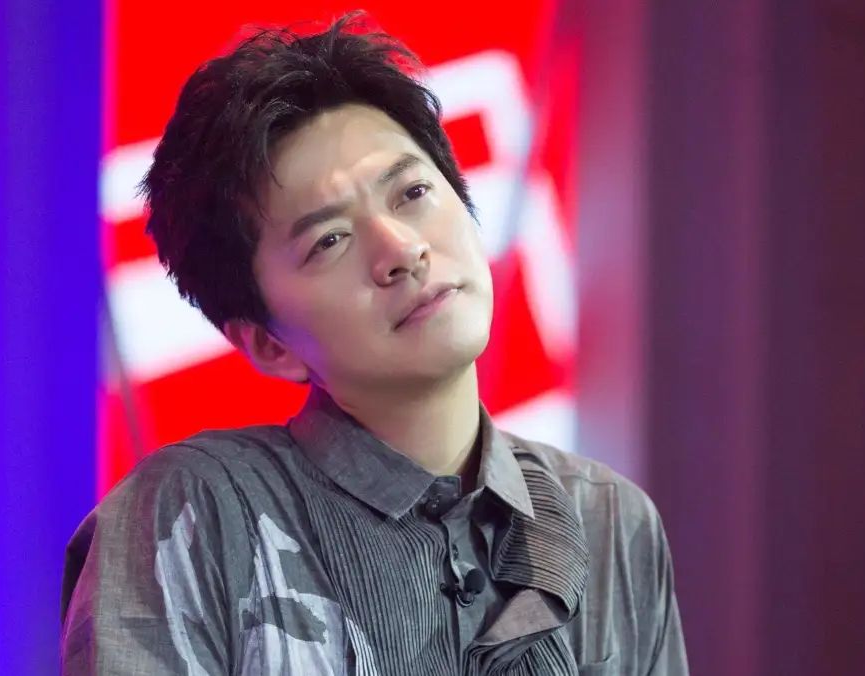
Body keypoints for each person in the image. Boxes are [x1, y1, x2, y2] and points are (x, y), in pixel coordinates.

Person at [60, 13, 688, 675]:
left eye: (412, 192)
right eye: (329, 240)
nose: (402, 251)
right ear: (269, 344)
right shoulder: (192, 514)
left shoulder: (610, 520)